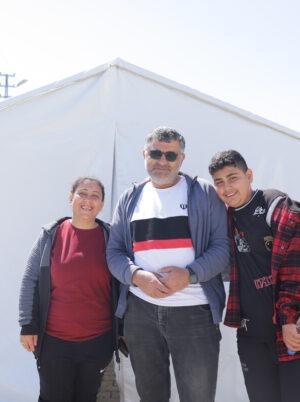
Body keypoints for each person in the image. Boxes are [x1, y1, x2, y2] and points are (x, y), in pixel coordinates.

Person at [106, 126, 230, 402]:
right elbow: (114, 252)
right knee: (150, 396)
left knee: (197, 396)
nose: (162, 161)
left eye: (171, 155)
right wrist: (137, 277)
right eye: (156, 153)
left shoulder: (203, 194)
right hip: (140, 314)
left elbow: (223, 248)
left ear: (181, 159)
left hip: (194, 313)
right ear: (144, 153)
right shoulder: (130, 198)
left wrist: (190, 275)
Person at [208, 150, 300, 402]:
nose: (227, 188)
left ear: (249, 175)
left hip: (289, 331)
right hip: (250, 335)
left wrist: (290, 317)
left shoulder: (274, 204)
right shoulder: (224, 217)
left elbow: (295, 264)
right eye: (219, 182)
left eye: (233, 177)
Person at [19, 176, 119, 402]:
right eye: (82, 193)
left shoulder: (112, 238)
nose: (88, 200)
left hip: (97, 342)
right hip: (54, 343)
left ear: (102, 204)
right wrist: (27, 324)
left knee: (87, 397)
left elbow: (122, 285)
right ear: (70, 198)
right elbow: (30, 280)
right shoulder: (50, 235)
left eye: (95, 196)